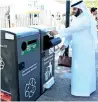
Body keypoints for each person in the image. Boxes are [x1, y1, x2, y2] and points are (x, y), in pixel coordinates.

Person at [50, 0, 97, 97]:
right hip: (77, 49)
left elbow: (73, 29)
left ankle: (84, 90)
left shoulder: (86, 19)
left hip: (86, 50)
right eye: (73, 9)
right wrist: (65, 44)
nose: (73, 11)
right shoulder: (76, 19)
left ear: (80, 8)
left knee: (84, 69)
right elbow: (71, 33)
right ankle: (76, 87)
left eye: (75, 9)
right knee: (76, 69)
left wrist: (58, 32)